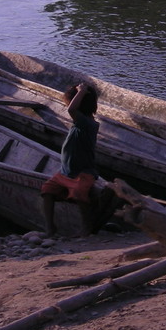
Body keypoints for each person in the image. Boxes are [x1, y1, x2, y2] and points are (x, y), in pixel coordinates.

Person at [41, 82, 108, 237]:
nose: (69, 107)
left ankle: (87, 227)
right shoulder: (81, 122)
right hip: (66, 172)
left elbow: (71, 109)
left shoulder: (88, 123)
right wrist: (82, 93)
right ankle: (50, 227)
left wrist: (82, 91)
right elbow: (73, 109)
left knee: (79, 194)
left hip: (83, 172)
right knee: (47, 191)